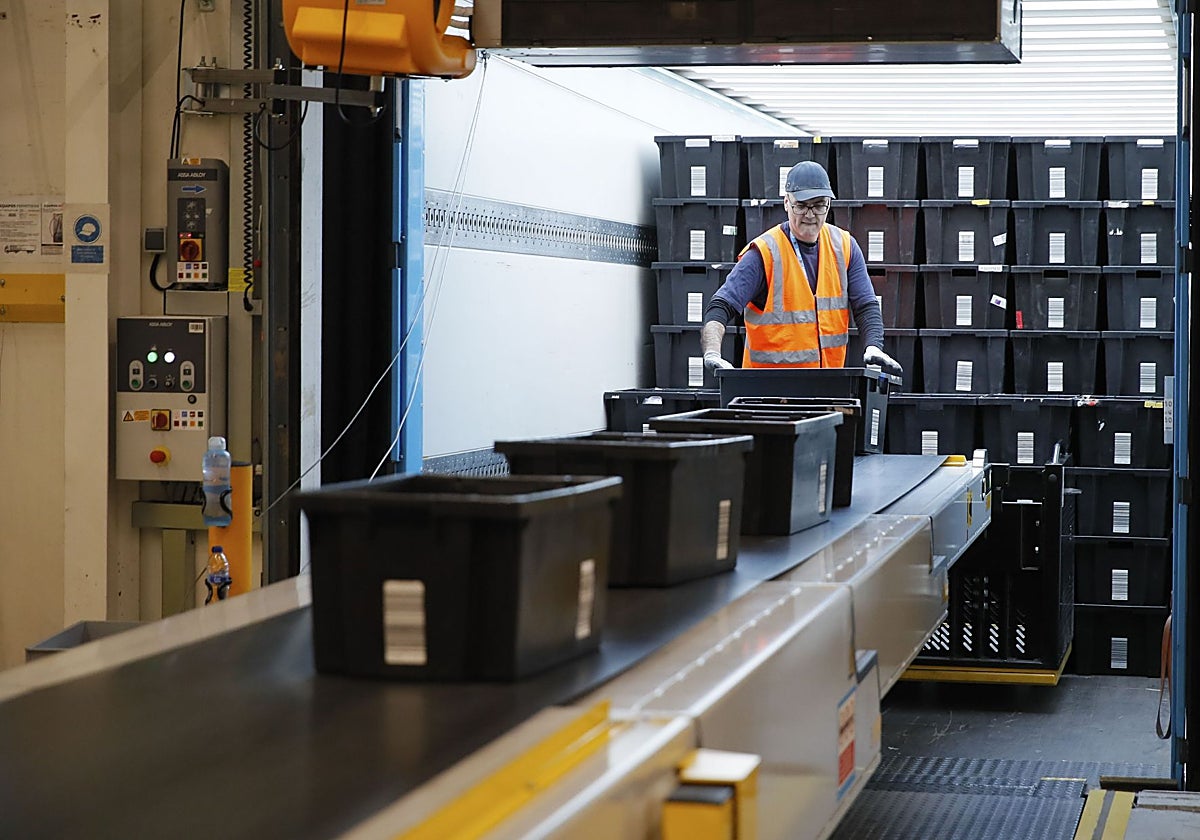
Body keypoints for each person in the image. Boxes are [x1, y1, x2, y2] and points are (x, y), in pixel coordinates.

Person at [700, 160, 902, 375]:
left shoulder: (844, 246)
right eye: (801, 205)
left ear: (829, 205)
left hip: (825, 388)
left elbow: (866, 306)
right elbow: (721, 306)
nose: (810, 214)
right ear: (786, 203)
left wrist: (873, 345)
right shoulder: (764, 253)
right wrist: (712, 352)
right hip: (767, 393)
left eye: (818, 205)